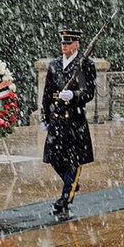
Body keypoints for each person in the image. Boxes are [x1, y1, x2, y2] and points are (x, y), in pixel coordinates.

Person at [41, 29, 96, 213]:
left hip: (74, 120)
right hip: (57, 119)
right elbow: (47, 92)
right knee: (54, 159)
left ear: (77, 45)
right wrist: (45, 115)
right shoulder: (55, 64)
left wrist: (74, 95)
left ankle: (65, 198)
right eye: (63, 43)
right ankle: (70, 183)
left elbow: (88, 93)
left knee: (73, 160)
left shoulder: (83, 65)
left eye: (68, 43)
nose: (64, 46)